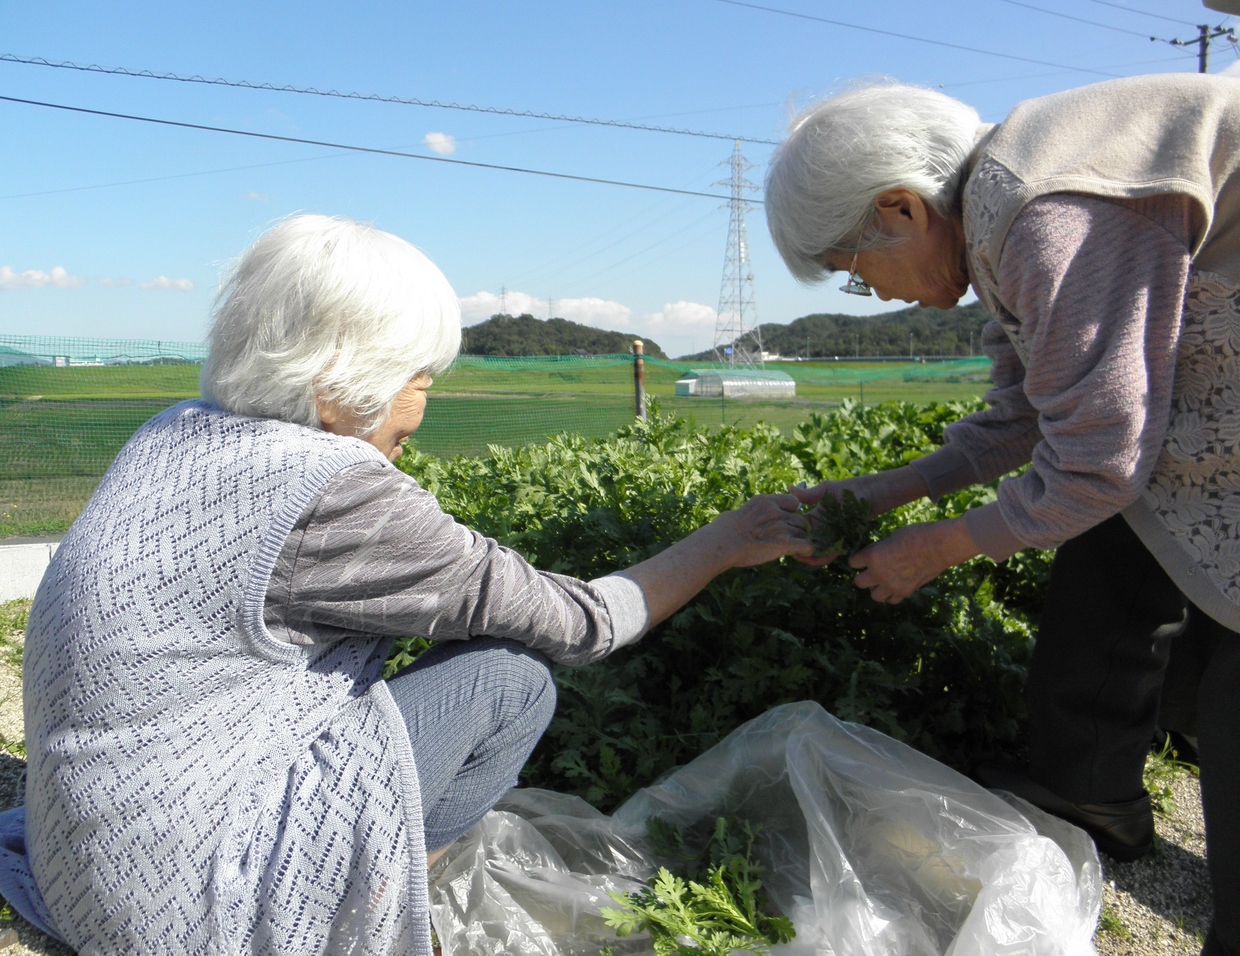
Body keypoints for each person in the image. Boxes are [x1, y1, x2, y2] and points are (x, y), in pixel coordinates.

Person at [0, 215, 812, 955]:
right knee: (510, 678)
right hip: (182, 913)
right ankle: (377, 915)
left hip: (83, 868)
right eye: (420, 379)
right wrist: (726, 541)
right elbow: (579, 624)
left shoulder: (176, 430)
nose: (422, 405)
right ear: (338, 381)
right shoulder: (329, 488)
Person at [763, 75, 1240, 956]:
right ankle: (1094, 793)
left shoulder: (1045, 212)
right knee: (1114, 542)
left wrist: (937, 548)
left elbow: (1097, 461)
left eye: (853, 271)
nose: (872, 291)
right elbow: (1026, 415)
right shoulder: (995, 214)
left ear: (901, 209)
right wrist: (876, 494)